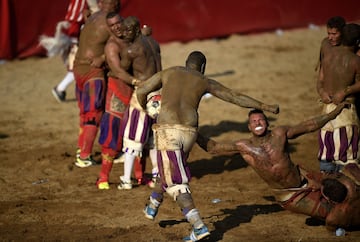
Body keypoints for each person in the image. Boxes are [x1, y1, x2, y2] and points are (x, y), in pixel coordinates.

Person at [136, 51, 280, 241]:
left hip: (168, 130)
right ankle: (153, 203)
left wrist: (146, 108)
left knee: (176, 182)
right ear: (202, 67)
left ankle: (198, 226)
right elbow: (234, 96)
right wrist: (265, 106)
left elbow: (141, 90)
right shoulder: (204, 80)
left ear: (185, 63)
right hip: (190, 132)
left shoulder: (169, 72)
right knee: (171, 167)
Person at [196, 105, 360, 231]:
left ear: (267, 123)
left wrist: (334, 113)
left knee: (347, 189)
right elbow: (214, 148)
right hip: (291, 196)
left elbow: (309, 125)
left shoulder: (280, 134)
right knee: (334, 215)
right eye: (253, 121)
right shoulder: (244, 146)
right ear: (249, 127)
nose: (257, 123)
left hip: (307, 178)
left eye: (260, 120)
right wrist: (193, 132)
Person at [116, 16, 162, 190]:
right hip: (158, 93)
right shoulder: (153, 42)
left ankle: (126, 180)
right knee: (153, 139)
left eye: (128, 30)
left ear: (136, 30)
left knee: (132, 139)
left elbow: (122, 68)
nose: (125, 34)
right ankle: (157, 176)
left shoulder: (132, 50)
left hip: (143, 94)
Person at [73, 0, 120, 168]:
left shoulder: (92, 17)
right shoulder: (112, 21)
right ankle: (84, 156)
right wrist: (102, 58)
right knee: (94, 114)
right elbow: (122, 45)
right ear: (114, 4)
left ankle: (81, 150)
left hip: (78, 68)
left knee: (85, 114)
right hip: (93, 71)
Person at [316, 22, 360, 172]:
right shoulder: (355, 60)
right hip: (345, 112)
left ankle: (327, 186)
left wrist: (322, 93)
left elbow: (320, 80)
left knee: (326, 151)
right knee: (346, 156)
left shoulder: (327, 52)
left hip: (326, 110)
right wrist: (346, 91)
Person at [42, 0, 100, 103]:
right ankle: (60, 88)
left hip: (75, 32)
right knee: (79, 65)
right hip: (75, 34)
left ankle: (61, 88)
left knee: (79, 66)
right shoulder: (80, 8)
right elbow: (75, 20)